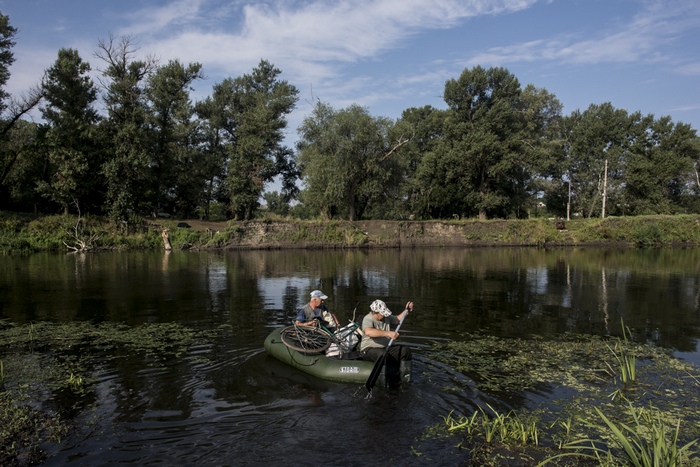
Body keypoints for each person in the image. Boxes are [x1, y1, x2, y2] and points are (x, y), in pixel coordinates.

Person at [360, 299, 413, 385]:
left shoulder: (386, 317)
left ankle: (405, 381)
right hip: (369, 349)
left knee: (405, 351)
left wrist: (407, 310)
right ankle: (383, 385)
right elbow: (368, 332)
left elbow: (397, 319)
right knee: (382, 355)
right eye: (382, 313)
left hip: (385, 347)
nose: (384, 316)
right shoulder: (368, 318)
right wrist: (388, 333)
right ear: (375, 312)